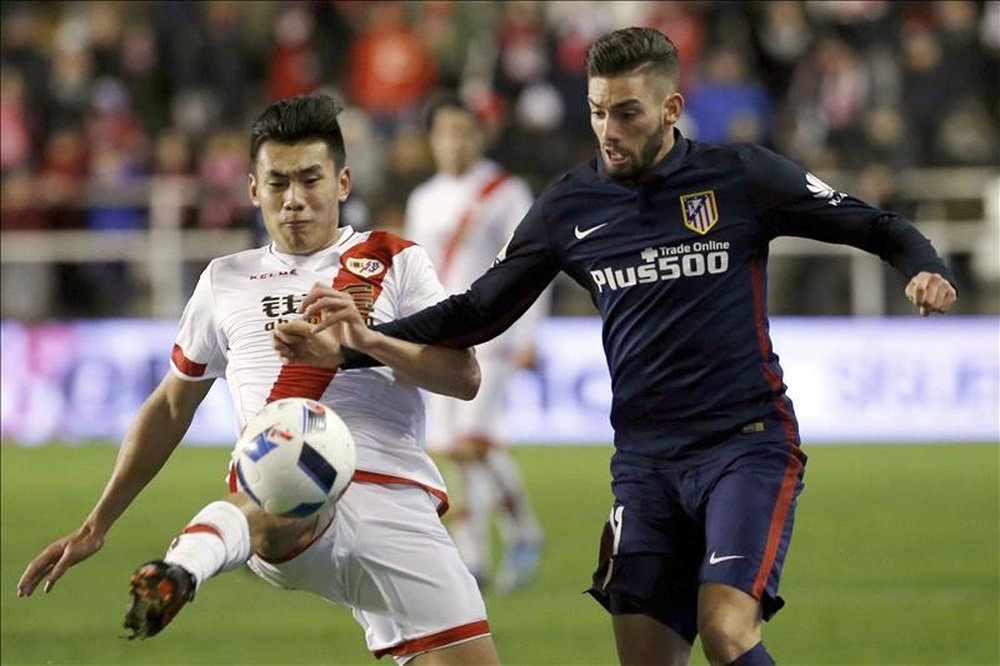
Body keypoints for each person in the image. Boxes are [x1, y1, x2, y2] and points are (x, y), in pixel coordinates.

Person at [288, 28, 958, 666]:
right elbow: (477, 312)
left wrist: (924, 266)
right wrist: (357, 345)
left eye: (628, 112)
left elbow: (873, 224)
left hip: (745, 444)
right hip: (643, 463)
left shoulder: (739, 177)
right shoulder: (568, 207)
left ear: (671, 108)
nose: (609, 130)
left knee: (727, 630)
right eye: (597, 111)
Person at [16, 94, 502, 666]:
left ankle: (200, 551)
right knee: (291, 455)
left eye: (310, 179)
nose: (294, 200)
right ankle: (182, 567)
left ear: (343, 182)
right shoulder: (225, 281)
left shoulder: (394, 260)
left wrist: (366, 342)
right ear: (253, 189)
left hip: (397, 504)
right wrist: (98, 523)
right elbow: (172, 406)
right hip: (283, 510)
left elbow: (463, 376)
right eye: (277, 183)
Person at [403, 91, 545, 592]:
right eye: (444, 133)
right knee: (457, 452)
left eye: (463, 131)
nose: (453, 142)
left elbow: (533, 266)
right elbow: (414, 273)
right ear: (432, 140)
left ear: (480, 135)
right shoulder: (422, 198)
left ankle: (521, 535)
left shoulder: (506, 191)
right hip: (443, 336)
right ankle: (478, 557)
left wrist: (528, 334)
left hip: (495, 334)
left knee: (472, 443)